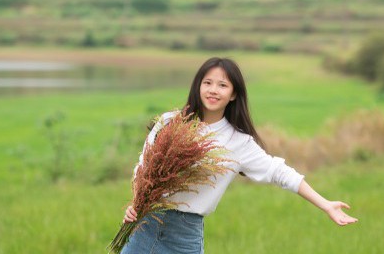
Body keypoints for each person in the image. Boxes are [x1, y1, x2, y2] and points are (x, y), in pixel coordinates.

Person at [120, 57, 358, 254]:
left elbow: (279, 172)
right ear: (198, 86)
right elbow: (144, 166)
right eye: (208, 83)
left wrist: (325, 204)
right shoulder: (170, 122)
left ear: (233, 94)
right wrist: (136, 202)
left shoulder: (238, 142)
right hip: (145, 226)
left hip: (184, 237)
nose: (213, 90)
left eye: (222, 85)